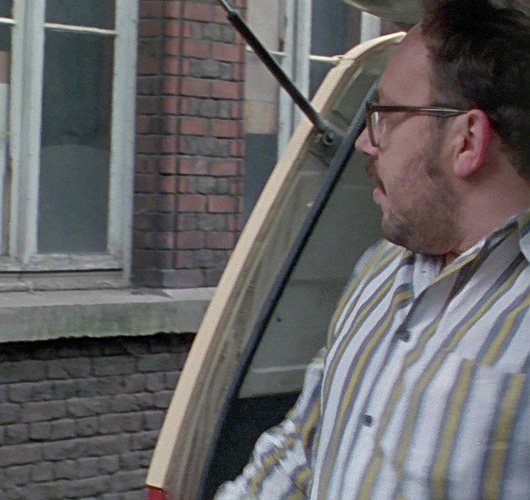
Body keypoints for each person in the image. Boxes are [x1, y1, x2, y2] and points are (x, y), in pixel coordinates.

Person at [215, 0, 530, 498]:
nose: (364, 141)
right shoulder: (381, 268)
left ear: (466, 141)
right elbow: (304, 447)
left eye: (384, 114)